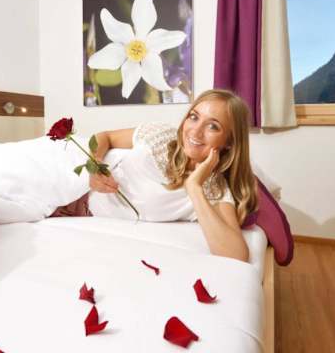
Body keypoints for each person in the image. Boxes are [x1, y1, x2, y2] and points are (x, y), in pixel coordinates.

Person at [52, 89, 258, 262]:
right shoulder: (160, 135)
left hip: (82, 215)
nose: (195, 132)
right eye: (194, 117)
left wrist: (194, 187)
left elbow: (237, 255)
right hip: (69, 185)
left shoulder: (214, 189)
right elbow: (105, 137)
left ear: (229, 142)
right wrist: (94, 165)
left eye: (213, 126)